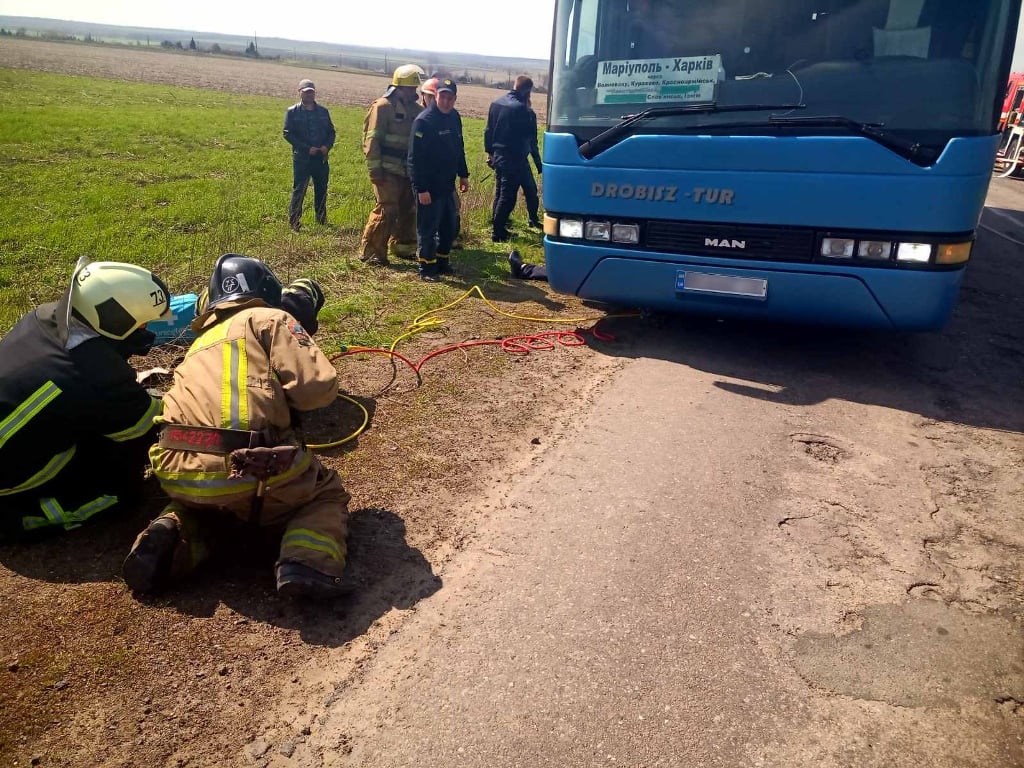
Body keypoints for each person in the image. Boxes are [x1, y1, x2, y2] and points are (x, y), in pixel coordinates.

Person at [122, 254, 352, 600]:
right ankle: (305, 563)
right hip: (251, 466)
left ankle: (171, 533)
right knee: (324, 494)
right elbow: (316, 391)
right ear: (269, 290)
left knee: (211, 512)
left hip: (175, 468)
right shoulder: (271, 318)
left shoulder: (196, 344)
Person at [0, 258, 170, 539]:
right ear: (117, 321)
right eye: (142, 324)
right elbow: (149, 423)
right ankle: (27, 516)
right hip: (7, 480)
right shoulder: (99, 376)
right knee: (121, 490)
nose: (146, 330)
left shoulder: (44, 316)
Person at [359, 64, 425, 266]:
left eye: (414, 89)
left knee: (409, 209)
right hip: (386, 170)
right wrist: (374, 170)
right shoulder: (382, 107)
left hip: (408, 171)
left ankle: (404, 248)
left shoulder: (418, 110)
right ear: (397, 87)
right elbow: (372, 141)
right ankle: (371, 253)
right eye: (408, 89)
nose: (412, 92)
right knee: (387, 210)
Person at [408, 77, 470, 282]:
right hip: (429, 187)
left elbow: (459, 149)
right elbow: (414, 160)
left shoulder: (454, 117)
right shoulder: (424, 121)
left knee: (448, 226)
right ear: (436, 96)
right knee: (427, 228)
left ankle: (443, 263)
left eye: (450, 97)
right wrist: (421, 189)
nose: (446, 101)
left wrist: (464, 175)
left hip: (447, 184)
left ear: (455, 99)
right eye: (442, 96)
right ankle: (426, 267)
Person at [485, 75, 535, 242]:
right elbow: (527, 136)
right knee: (507, 197)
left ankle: (497, 225)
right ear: (528, 91)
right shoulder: (521, 109)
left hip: (498, 155)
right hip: (513, 157)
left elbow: (488, 131)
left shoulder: (496, 103)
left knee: (500, 193)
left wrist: (489, 152)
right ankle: (498, 232)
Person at [283, 78, 336, 232]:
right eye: (306, 92)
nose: (309, 95)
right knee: (299, 190)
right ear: (300, 92)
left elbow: (331, 132)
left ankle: (321, 220)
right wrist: (307, 148)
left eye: (311, 92)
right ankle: (294, 222)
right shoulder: (292, 112)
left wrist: (327, 146)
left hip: (321, 159)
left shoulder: (323, 112)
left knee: (321, 189)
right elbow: (287, 134)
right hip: (302, 159)